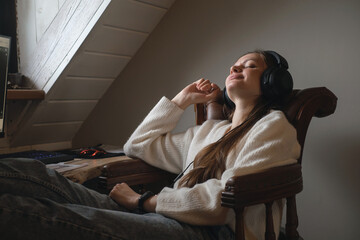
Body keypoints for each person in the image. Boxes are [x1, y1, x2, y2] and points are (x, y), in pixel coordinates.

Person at [0, 50, 300, 240]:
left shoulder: (273, 128)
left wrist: (143, 202)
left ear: (273, 82)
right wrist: (182, 100)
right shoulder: (209, 131)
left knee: (33, 213)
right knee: (35, 173)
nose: (235, 70)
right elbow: (138, 145)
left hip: (214, 231)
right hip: (166, 215)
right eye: (233, 66)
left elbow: (220, 202)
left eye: (248, 66)